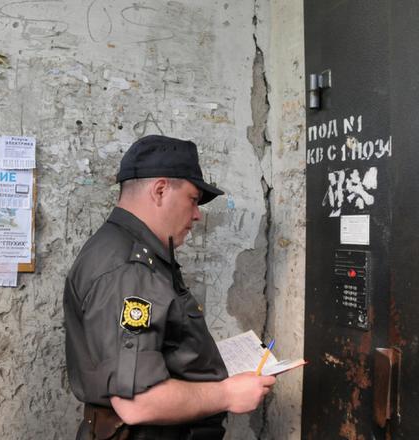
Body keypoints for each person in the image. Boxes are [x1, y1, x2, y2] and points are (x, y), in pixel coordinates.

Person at [64, 135, 277, 439]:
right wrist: (228, 394)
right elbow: (137, 402)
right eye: (193, 199)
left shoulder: (126, 250)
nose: (197, 215)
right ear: (160, 190)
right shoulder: (130, 268)